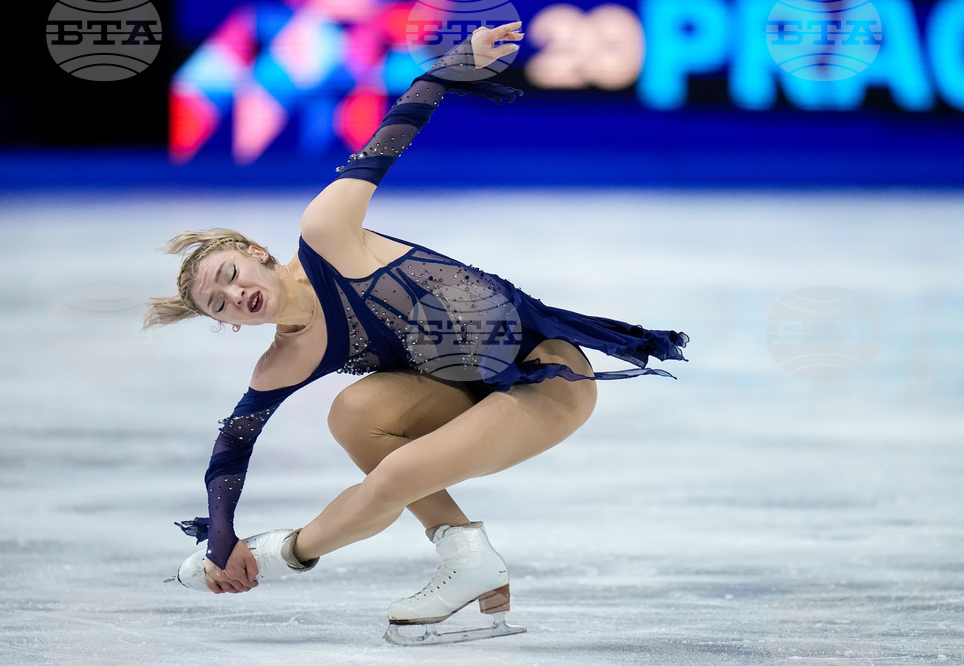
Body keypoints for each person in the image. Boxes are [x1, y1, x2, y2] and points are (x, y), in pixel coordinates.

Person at [147, 22, 688, 644]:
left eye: (228, 275)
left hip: (546, 377)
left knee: (397, 475)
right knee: (353, 413)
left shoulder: (327, 232)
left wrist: (450, 67)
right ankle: (467, 557)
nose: (234, 295)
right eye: (219, 305)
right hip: (458, 392)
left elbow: (386, 140)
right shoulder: (283, 361)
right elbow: (230, 451)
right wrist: (219, 539)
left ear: (252, 252)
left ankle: (280, 554)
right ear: (228, 325)